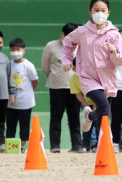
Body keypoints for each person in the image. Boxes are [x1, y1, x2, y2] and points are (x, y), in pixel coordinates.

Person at [61, 0, 122, 135]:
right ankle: (105, 140)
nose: (100, 13)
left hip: (107, 77)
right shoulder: (82, 32)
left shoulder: (114, 34)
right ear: (90, 13)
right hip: (88, 76)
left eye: (103, 10)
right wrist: (67, 61)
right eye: (96, 10)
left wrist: (115, 52)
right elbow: (67, 43)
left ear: (109, 12)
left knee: (102, 110)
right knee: (104, 106)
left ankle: (90, 117)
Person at [41, 22, 82, 153]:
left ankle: (76, 145)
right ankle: (55, 145)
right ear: (62, 34)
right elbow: (45, 67)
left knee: (74, 117)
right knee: (56, 116)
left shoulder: (78, 47)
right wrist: (54, 77)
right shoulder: (51, 46)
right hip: (56, 87)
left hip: (75, 88)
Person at [6, 38, 39, 153]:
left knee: (24, 125)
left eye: (18, 49)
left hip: (25, 102)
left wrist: (29, 92)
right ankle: (10, 147)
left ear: (23, 51)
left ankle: (21, 146)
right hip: (10, 103)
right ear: (9, 50)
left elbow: (35, 81)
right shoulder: (8, 65)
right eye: (13, 49)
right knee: (10, 125)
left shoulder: (28, 65)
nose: (15, 52)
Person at [70, 57, 98, 153]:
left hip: (98, 100)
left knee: (97, 122)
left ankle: (98, 144)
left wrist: (95, 106)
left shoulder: (92, 75)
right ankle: (85, 145)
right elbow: (78, 94)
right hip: (87, 101)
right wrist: (86, 107)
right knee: (86, 121)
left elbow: (97, 91)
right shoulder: (73, 78)